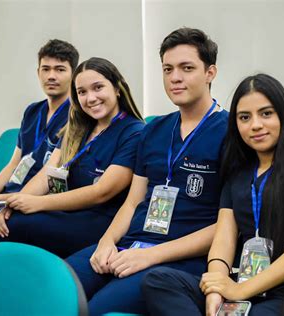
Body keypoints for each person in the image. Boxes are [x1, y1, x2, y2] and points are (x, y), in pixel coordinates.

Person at [141, 74, 284, 316]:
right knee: (158, 280)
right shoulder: (239, 170)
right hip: (246, 276)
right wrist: (216, 286)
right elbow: (224, 238)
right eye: (245, 117)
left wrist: (240, 290)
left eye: (266, 114)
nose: (255, 125)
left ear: (283, 116)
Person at [65, 27, 228, 315]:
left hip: (179, 259)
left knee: (93, 310)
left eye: (186, 68)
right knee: (56, 290)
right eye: (168, 69)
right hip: (130, 246)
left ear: (210, 73)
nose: (175, 77)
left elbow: (228, 225)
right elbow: (133, 201)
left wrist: (150, 256)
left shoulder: (230, 133)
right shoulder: (154, 129)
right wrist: (106, 242)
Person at [0, 57, 144, 258]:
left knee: (12, 227)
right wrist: (15, 203)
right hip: (63, 212)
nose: (90, 98)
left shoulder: (134, 132)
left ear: (117, 88)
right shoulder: (77, 128)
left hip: (97, 221)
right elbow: (47, 174)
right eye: (82, 92)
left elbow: (102, 191)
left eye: (98, 87)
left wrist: (37, 204)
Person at [0, 39, 79, 240]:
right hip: (4, 194)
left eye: (60, 69)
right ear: (38, 72)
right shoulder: (32, 111)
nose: (52, 76)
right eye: (46, 69)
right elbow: (14, 163)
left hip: (29, 201)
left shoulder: (75, 119)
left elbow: (53, 183)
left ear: (74, 75)